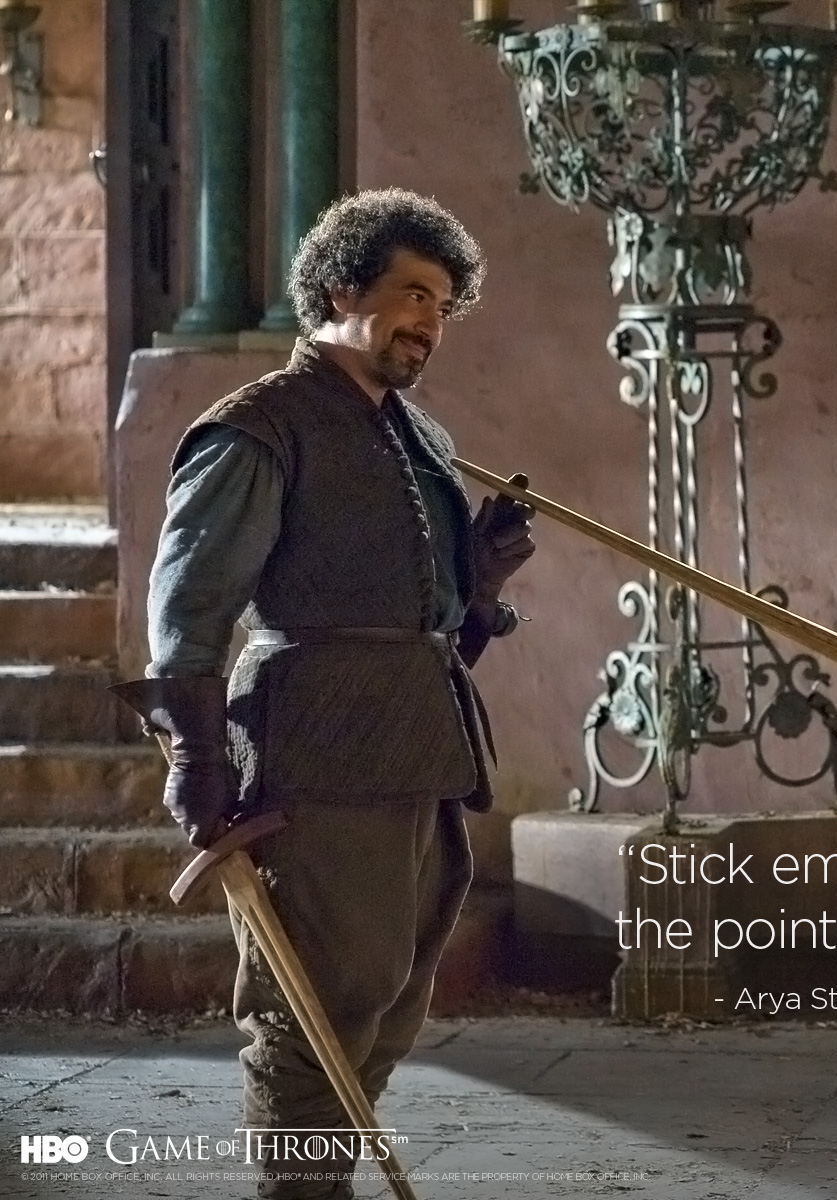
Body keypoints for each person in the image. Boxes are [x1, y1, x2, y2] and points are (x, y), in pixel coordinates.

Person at [111, 188, 535, 1200]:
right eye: (412, 294)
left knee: (386, 1008)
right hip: (314, 748)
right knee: (315, 1010)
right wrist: (197, 762)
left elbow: (420, 612)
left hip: (420, 743)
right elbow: (190, 604)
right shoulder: (259, 426)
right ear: (343, 288)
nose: (429, 323)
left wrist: (477, 580)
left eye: (442, 306)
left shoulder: (418, 437)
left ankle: (321, 1181)